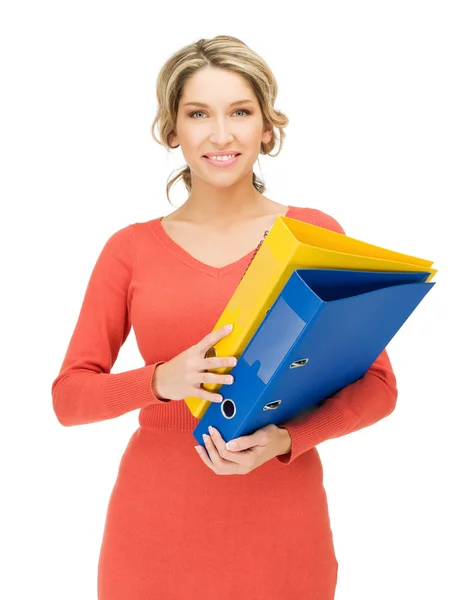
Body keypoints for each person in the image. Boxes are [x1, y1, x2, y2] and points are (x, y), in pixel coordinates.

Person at [51, 35, 398, 600]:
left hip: (284, 523)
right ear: (172, 130)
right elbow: (69, 398)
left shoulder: (313, 237)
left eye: (240, 112)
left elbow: (380, 386)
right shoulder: (130, 249)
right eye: (197, 114)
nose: (220, 134)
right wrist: (161, 381)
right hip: (155, 528)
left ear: (267, 127)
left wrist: (289, 439)